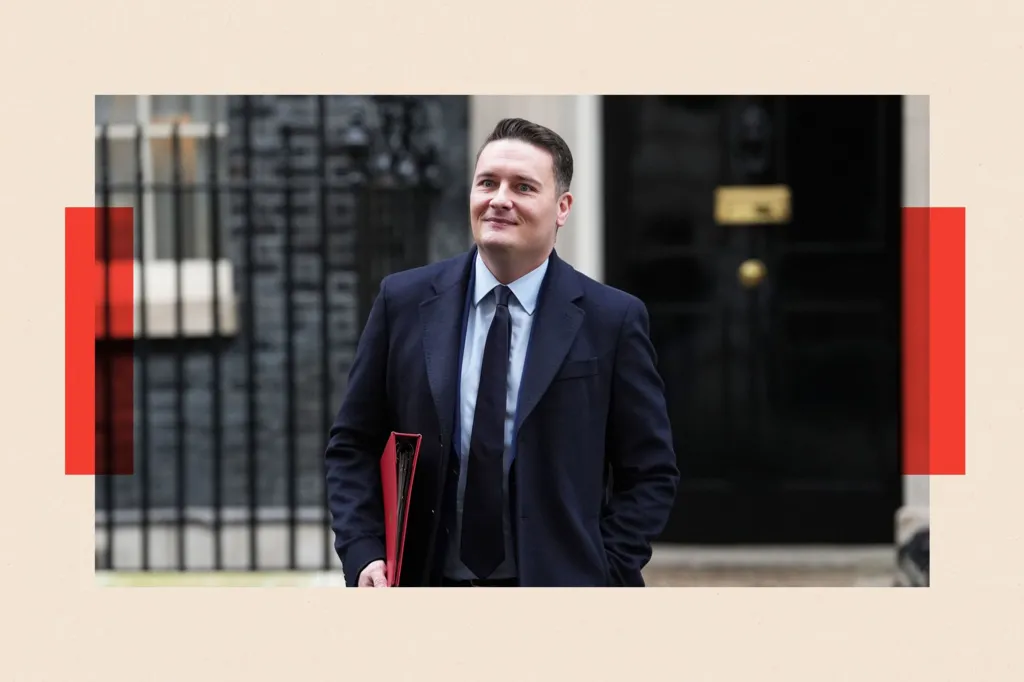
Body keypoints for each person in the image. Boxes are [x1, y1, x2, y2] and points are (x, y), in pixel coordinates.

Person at [324, 117, 679, 587]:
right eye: (487, 182)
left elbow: (650, 472)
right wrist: (365, 551)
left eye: (523, 187)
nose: (499, 199)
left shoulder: (612, 319)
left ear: (562, 207)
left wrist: (604, 569)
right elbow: (353, 445)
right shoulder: (403, 302)